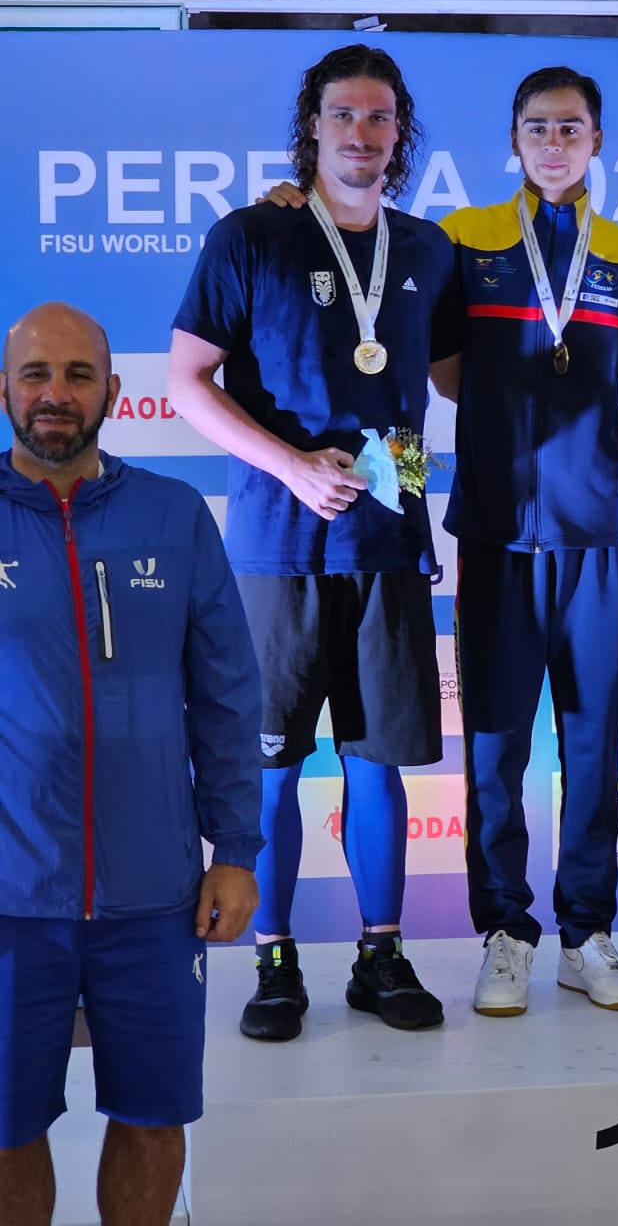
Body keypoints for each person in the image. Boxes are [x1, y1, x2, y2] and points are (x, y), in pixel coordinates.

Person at [169, 45, 460, 1042]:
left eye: (379, 116)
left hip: (387, 547)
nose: (361, 133)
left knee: (378, 766)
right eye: (344, 114)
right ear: (314, 125)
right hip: (276, 549)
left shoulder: (428, 249)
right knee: (272, 769)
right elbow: (185, 382)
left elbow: (445, 386)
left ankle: (381, 956)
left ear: (399, 132)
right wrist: (294, 467)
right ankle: (275, 959)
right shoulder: (252, 234)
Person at [0, 302, 262, 1226]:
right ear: (4, 390)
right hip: (10, 900)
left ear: (113, 391)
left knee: (153, 1124)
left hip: (155, 899)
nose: (56, 394)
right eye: (36, 374)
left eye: (78, 375)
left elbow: (228, 697)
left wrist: (236, 849)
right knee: (5, 1133)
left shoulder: (173, 514)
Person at [435, 66, 618, 1016]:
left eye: (571, 128)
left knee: (593, 744)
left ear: (597, 140)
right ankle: (505, 932)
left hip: (596, 537)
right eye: (537, 127)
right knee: (495, 750)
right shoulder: (464, 239)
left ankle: (586, 934)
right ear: (514, 139)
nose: (554, 143)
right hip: (495, 533)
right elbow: (445, 372)